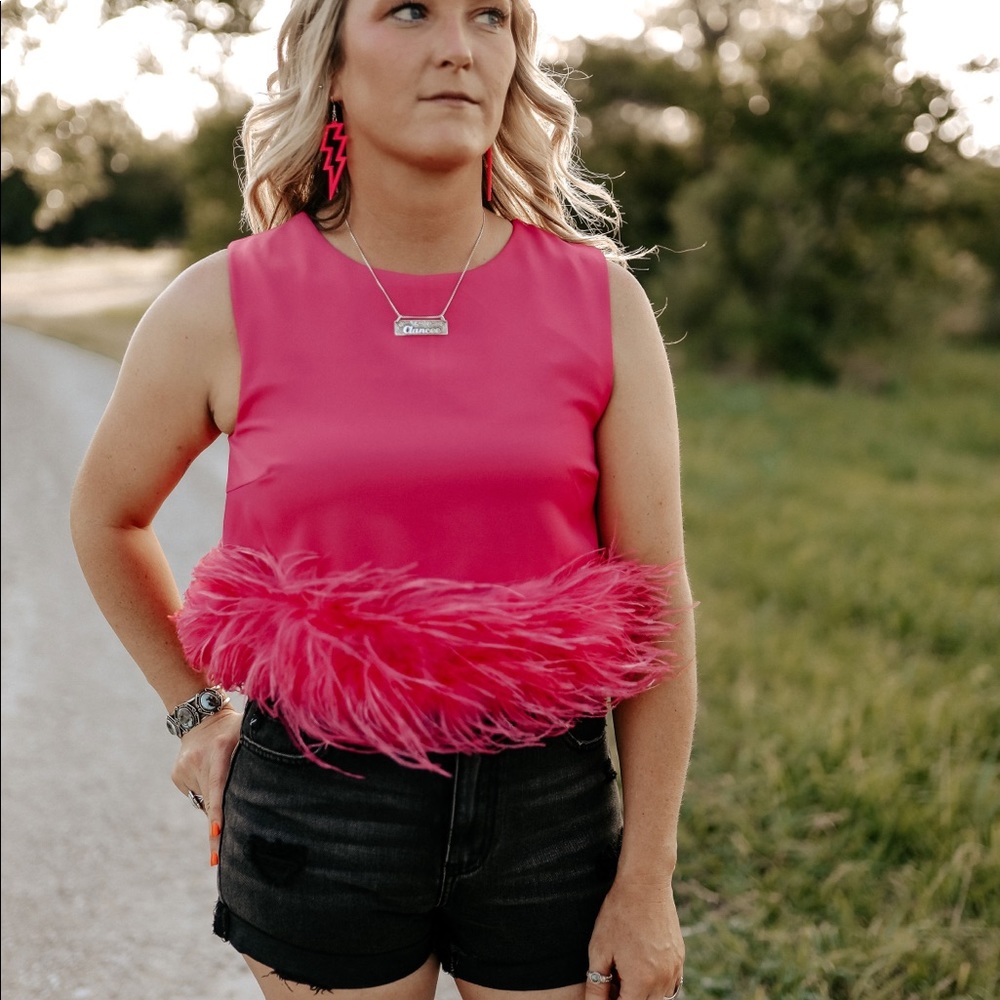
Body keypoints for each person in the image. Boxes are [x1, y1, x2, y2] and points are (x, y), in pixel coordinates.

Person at [70, 1, 697, 998]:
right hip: (321, 801)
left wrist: (648, 877)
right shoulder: (220, 304)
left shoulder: (599, 299)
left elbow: (653, 601)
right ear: (331, 66)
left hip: (548, 803)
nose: (457, 43)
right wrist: (195, 710)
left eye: (488, 15)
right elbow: (105, 516)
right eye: (409, 10)